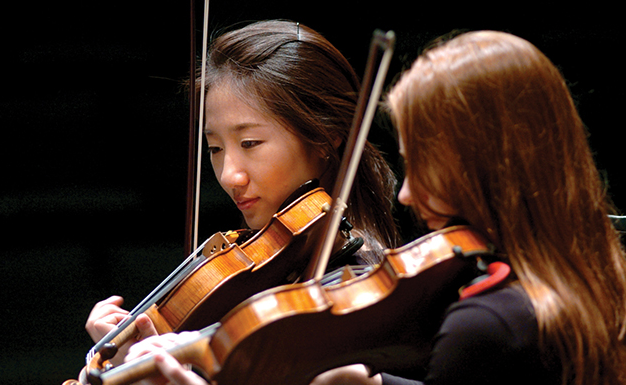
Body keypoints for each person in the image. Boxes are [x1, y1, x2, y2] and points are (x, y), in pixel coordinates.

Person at [127, 30, 626, 385]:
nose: (405, 194)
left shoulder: (487, 324)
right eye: (214, 148)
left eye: (252, 142)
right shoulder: (598, 284)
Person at [84, 19, 401, 368]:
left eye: (250, 143)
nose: (229, 176)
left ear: (325, 137)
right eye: (215, 148)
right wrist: (128, 360)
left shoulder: (359, 290)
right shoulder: (255, 278)